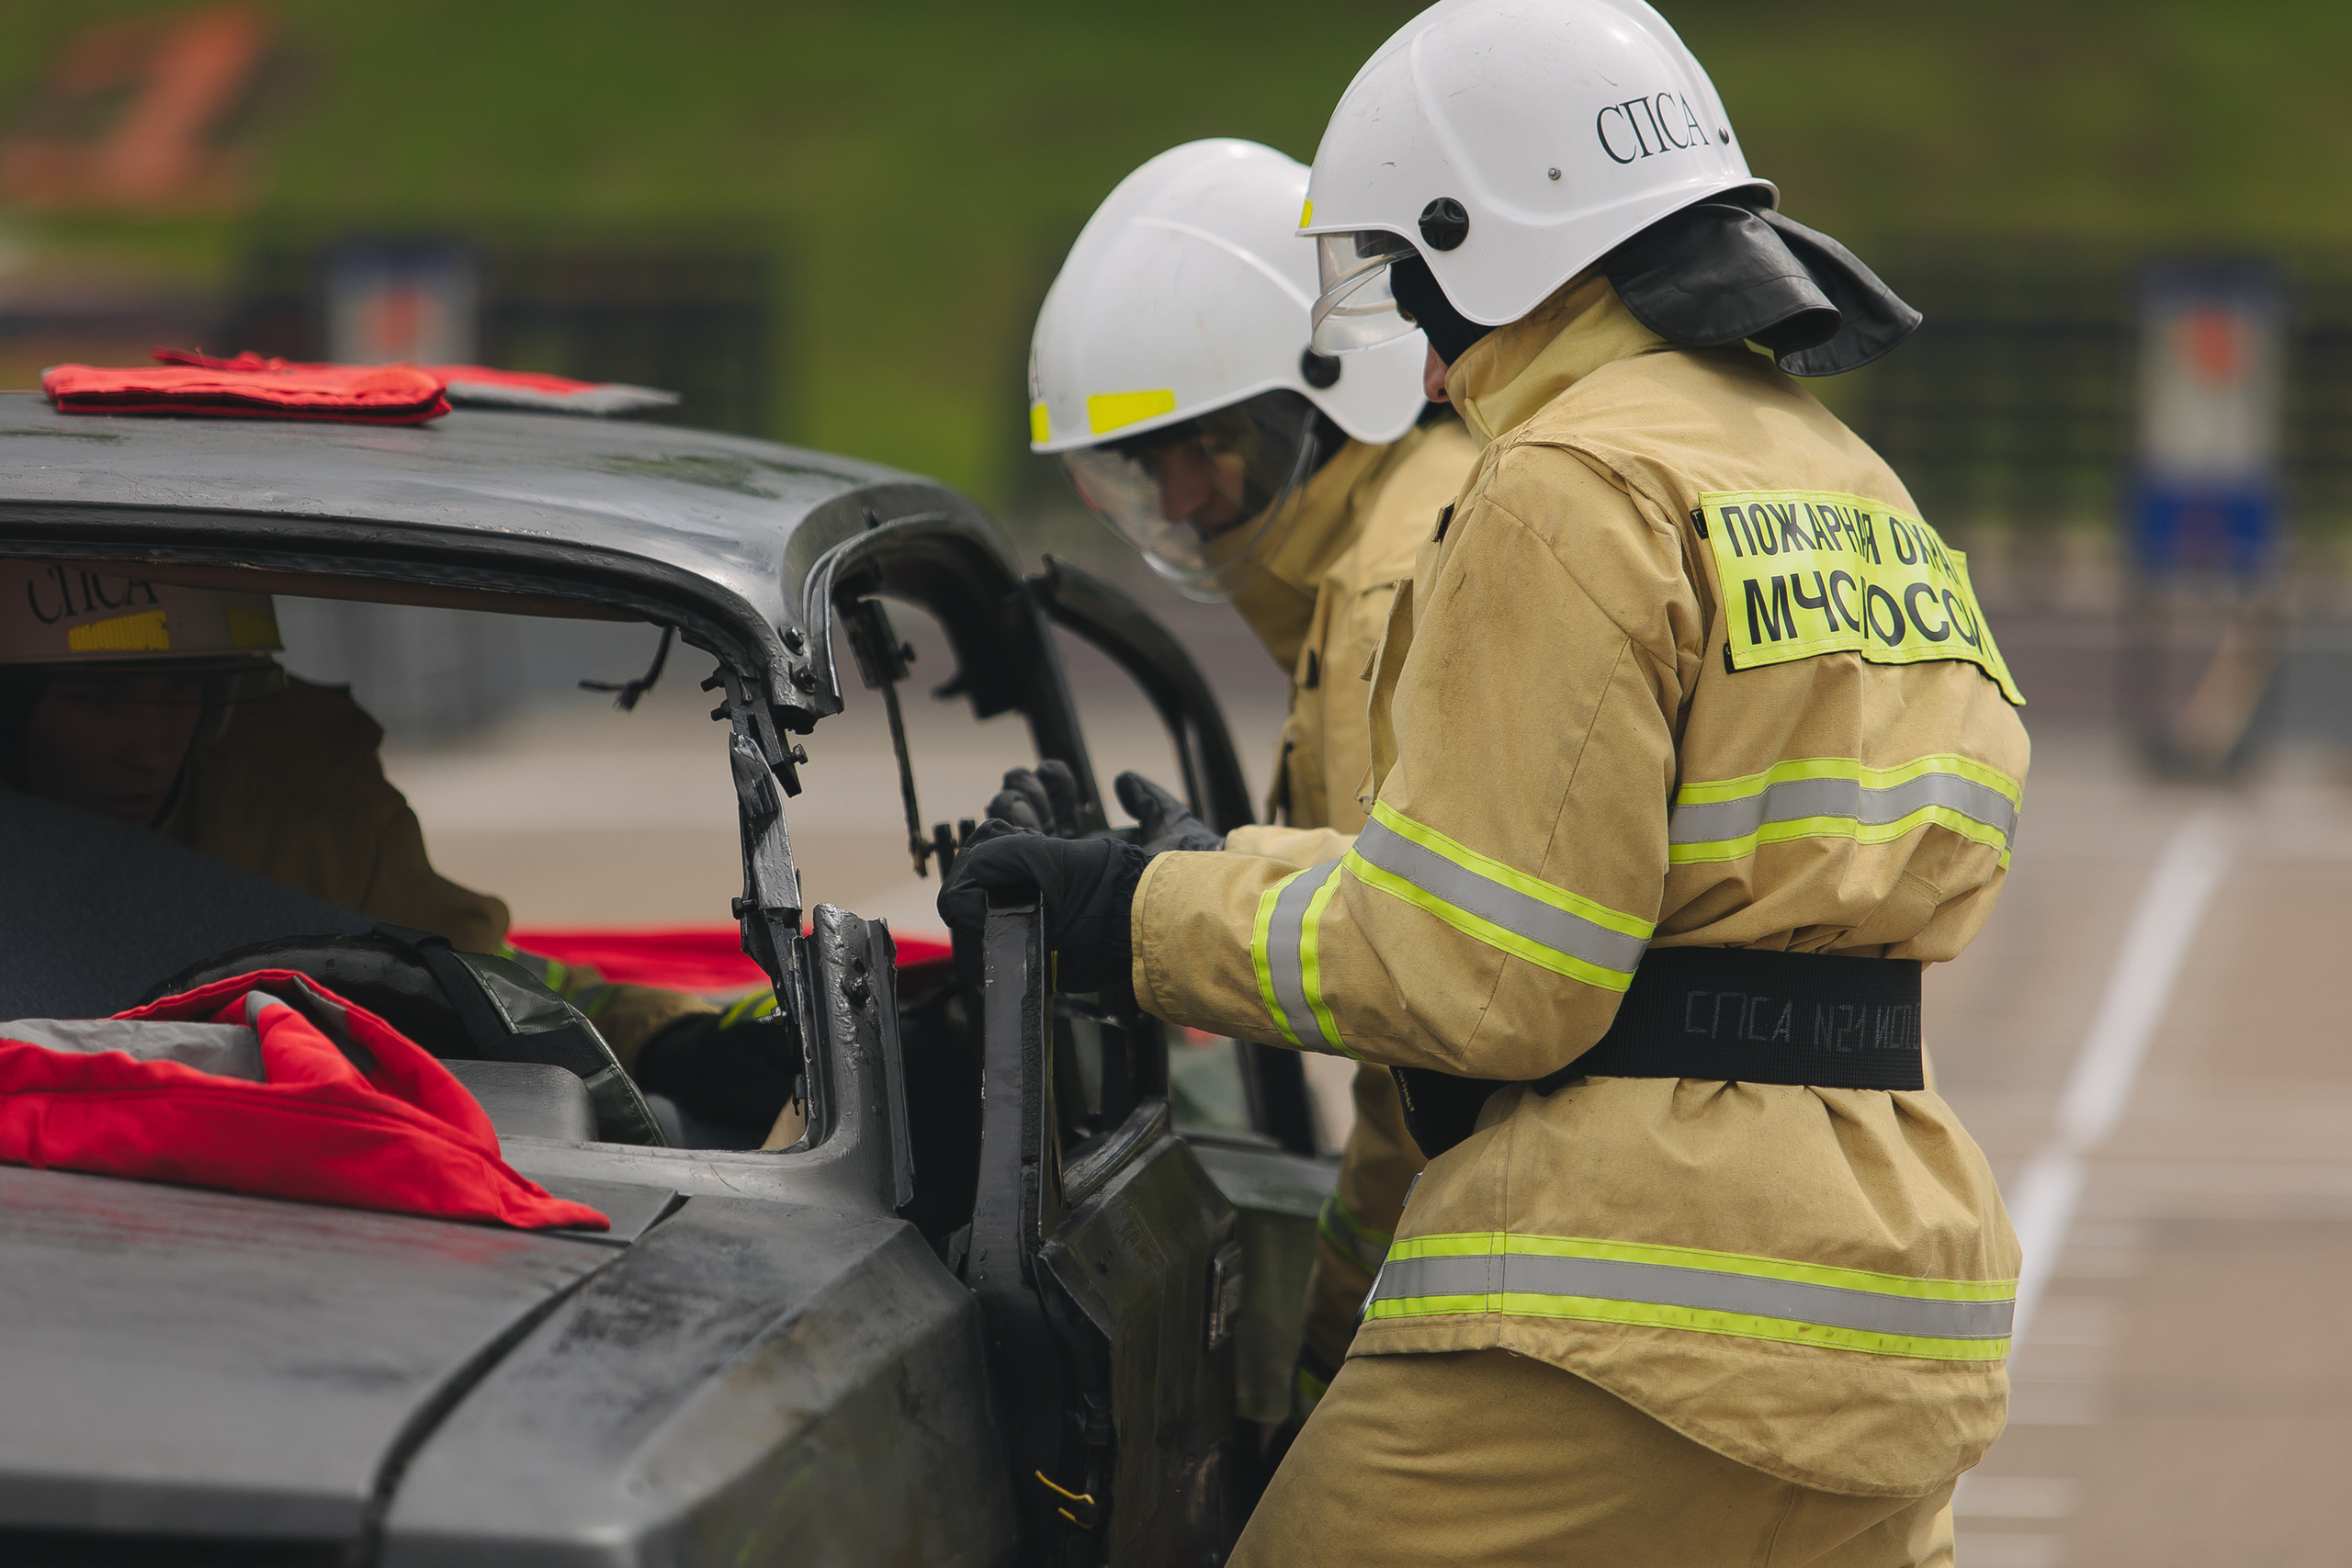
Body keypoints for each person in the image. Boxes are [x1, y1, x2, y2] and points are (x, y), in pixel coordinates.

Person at [944, 3, 2030, 1562]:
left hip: (1633, 1299)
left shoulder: (1566, 483)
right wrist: (1226, 867)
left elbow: (1483, 968)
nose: (1428, 359)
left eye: (1414, 282)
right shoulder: (1848, 479)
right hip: (1898, 1295)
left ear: (1491, 237)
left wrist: (1139, 914)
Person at [1020, 137, 1477, 1418]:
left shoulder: (1384, 590)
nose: (1180, 497)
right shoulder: (1406, 528)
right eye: (1145, 465)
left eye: (1212, 443)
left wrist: (1328, 1355)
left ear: (1331, 396)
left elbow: (1422, 1024)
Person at [0, 563, 786, 1134]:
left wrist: (670, 1042)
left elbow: (485, 982)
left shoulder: (311, 813)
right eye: (99, 699)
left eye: (181, 692)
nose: (148, 745)